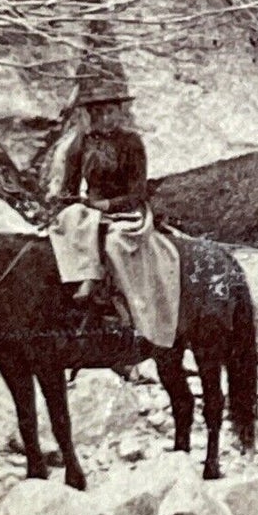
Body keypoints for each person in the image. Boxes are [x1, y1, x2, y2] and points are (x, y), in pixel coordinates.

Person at [45, 52, 179, 351]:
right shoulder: (81, 143)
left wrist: (108, 205)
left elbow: (138, 191)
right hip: (90, 209)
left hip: (126, 210)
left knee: (115, 244)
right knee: (63, 227)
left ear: (120, 113)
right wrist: (64, 202)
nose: (106, 118)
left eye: (111, 112)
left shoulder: (131, 143)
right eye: (99, 112)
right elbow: (69, 185)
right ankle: (74, 289)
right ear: (91, 114)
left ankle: (126, 307)